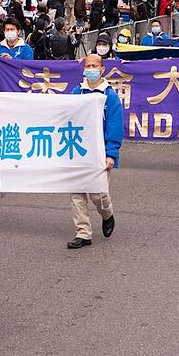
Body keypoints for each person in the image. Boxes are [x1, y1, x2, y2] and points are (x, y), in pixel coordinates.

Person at [66, 55, 123, 249]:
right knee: (77, 193)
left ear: (102, 69)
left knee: (98, 194)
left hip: (99, 152)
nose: (90, 69)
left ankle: (107, 214)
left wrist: (111, 154)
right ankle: (83, 232)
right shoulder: (76, 92)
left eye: (94, 66)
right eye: (87, 66)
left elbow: (115, 127)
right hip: (77, 149)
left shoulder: (110, 97)